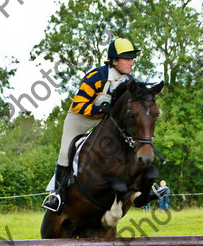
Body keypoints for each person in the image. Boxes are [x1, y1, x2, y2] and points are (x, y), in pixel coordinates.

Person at [42, 37, 141, 213]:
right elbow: (78, 105)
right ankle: (57, 194)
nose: (131, 62)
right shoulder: (96, 77)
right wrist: (99, 109)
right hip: (81, 117)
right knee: (66, 152)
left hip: (106, 121)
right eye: (127, 58)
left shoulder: (130, 81)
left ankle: (138, 189)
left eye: (132, 58)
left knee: (131, 144)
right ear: (114, 61)